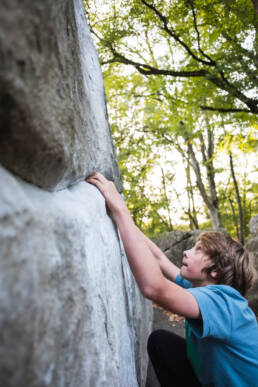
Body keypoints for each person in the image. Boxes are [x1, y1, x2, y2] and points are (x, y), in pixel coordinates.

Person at [86, 172, 258, 387]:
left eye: (198, 250)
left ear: (215, 270)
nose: (186, 252)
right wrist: (122, 217)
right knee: (162, 342)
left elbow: (154, 288)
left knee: (162, 342)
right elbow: (159, 258)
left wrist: (120, 211)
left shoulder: (225, 303)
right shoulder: (201, 288)